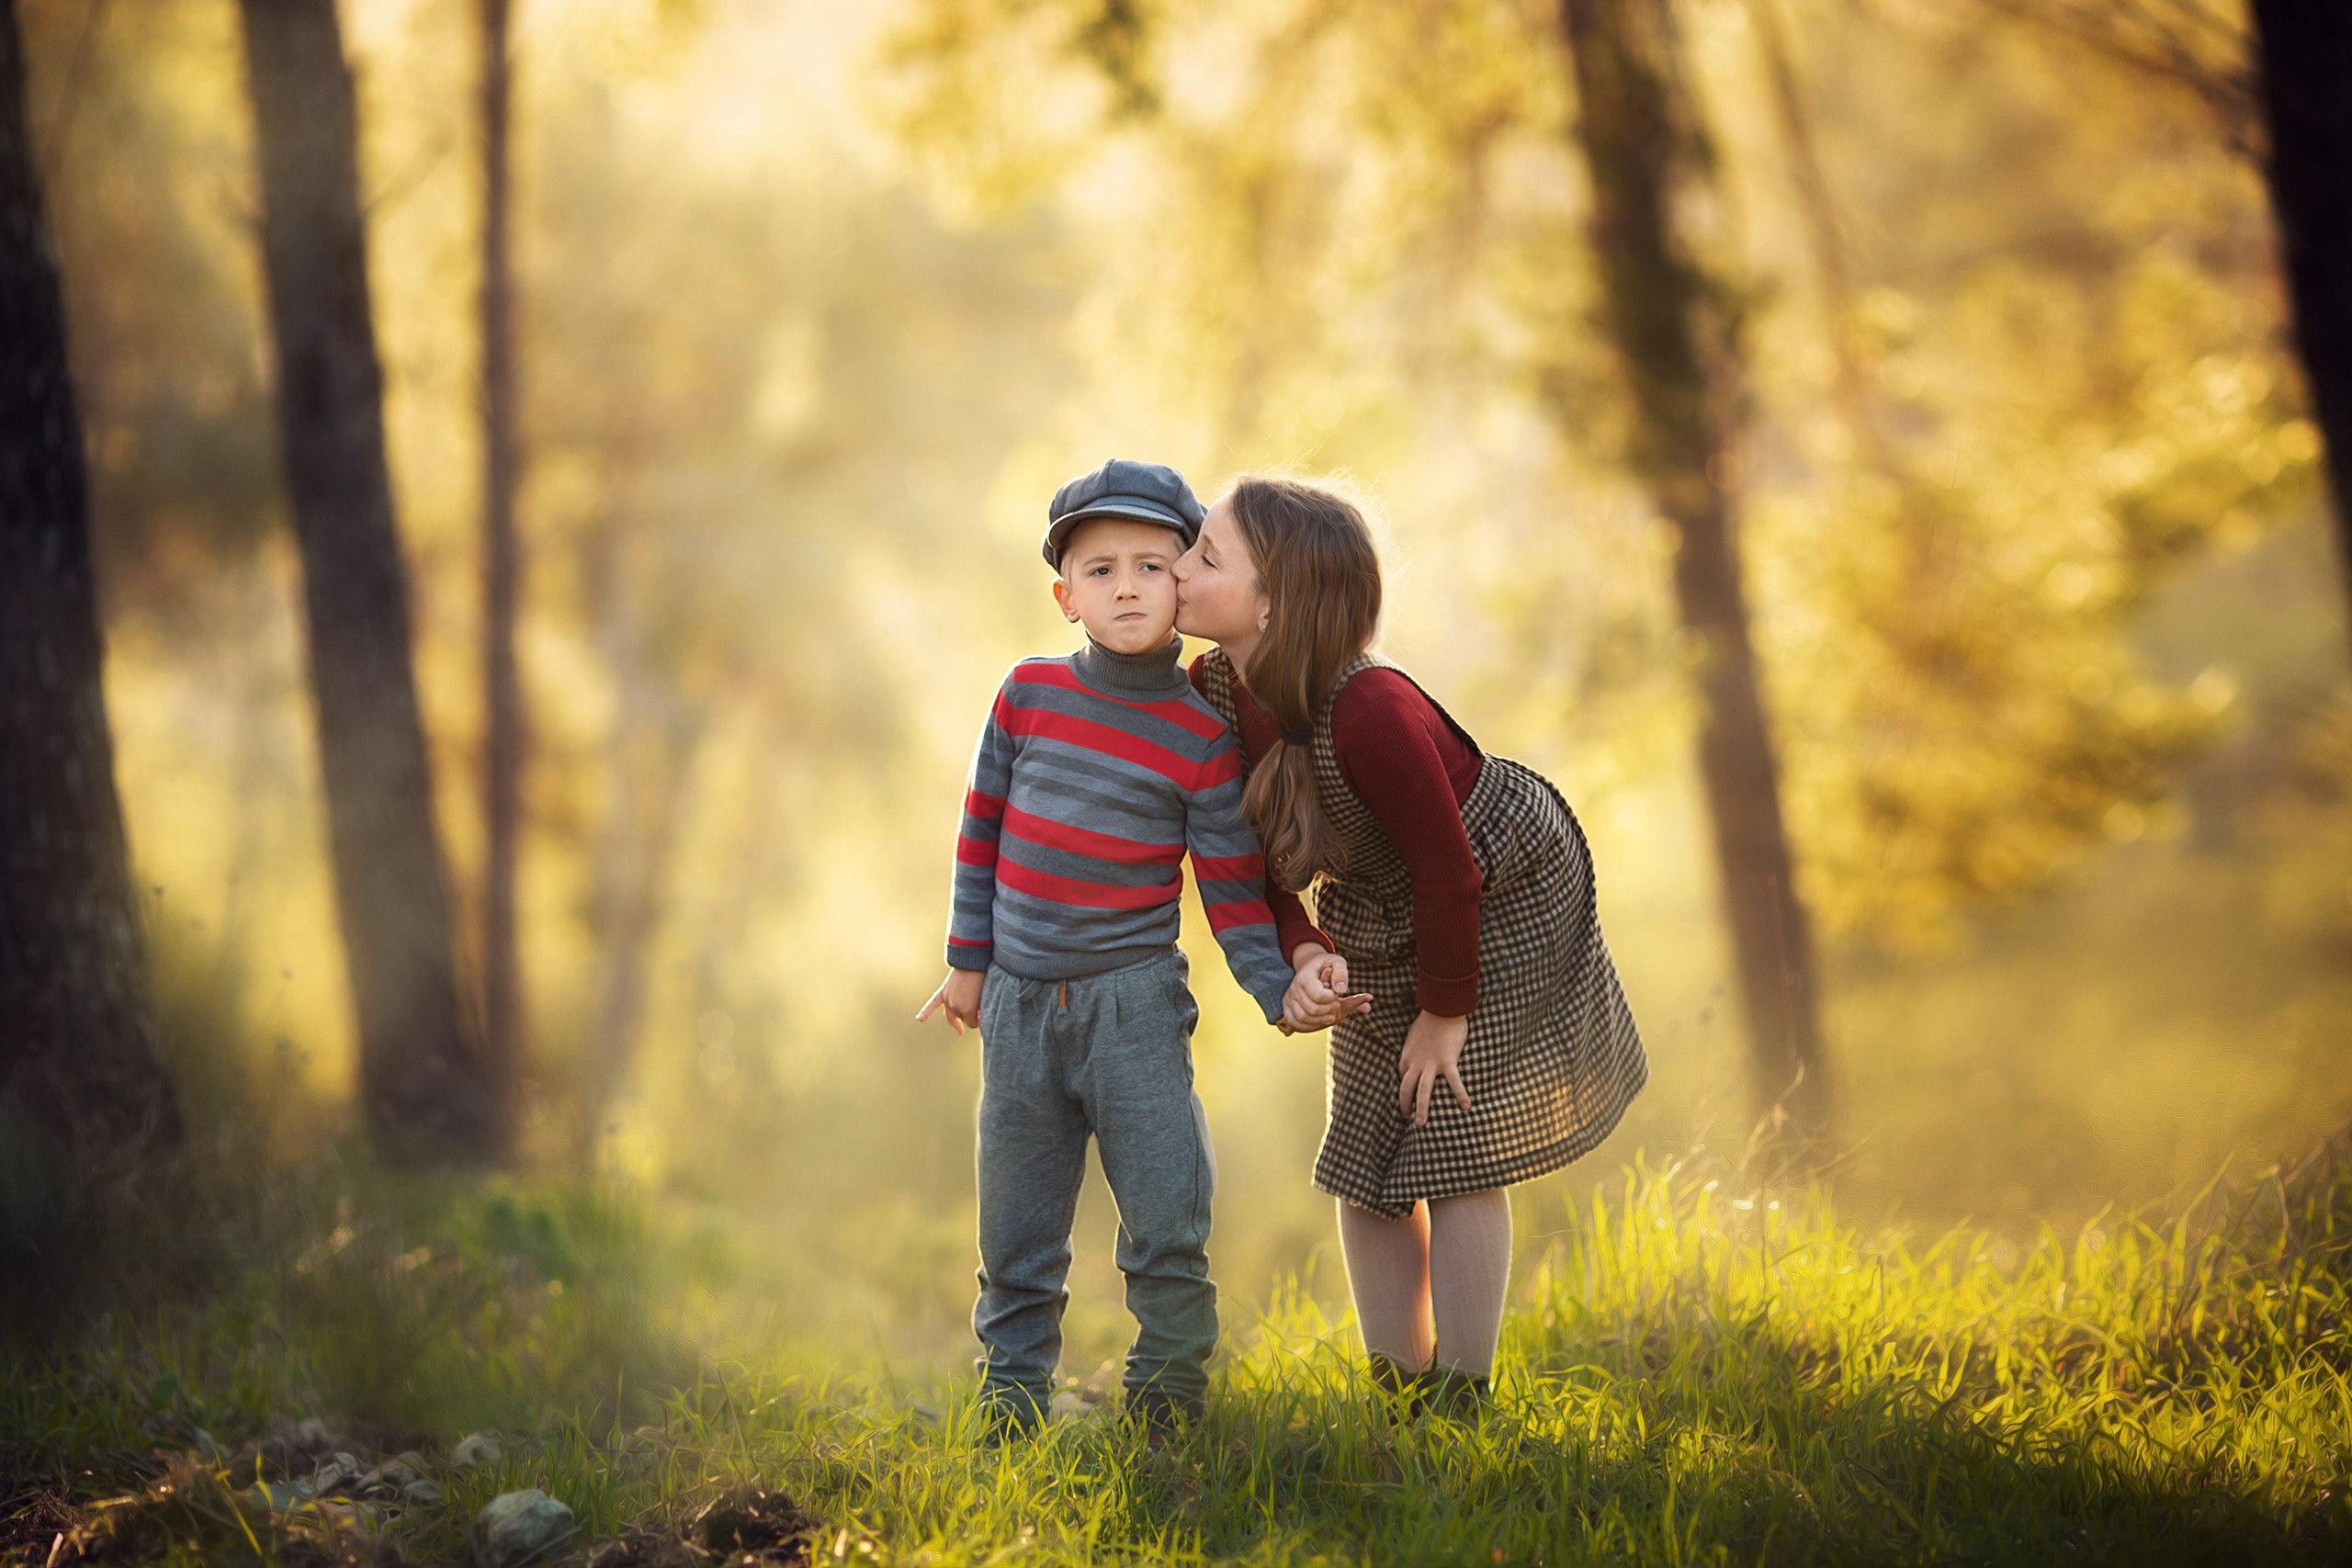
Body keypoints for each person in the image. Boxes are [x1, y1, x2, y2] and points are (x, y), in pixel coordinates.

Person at [1172, 474, 1647, 1416]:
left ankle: (1465, 1396)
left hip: (1498, 888)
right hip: (1375, 899)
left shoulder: (1372, 710)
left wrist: (1441, 1017)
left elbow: (1449, 874)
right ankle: (1398, 1390)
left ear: (1274, 602)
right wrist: (1303, 955)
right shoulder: (1216, 693)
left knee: (1450, 1132)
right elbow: (1261, 863)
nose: (1178, 569)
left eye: (1204, 556)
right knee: (1366, 1146)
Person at [917, 457, 1343, 1439]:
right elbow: (979, 831)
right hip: (1021, 1009)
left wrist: (1277, 987)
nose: (1126, 588)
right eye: (1100, 570)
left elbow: (1230, 887)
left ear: (1185, 584)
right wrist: (966, 960)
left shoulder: (1198, 735)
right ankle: (1011, 1410)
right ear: (1065, 597)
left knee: (1165, 1219)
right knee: (1016, 1233)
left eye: (1152, 566)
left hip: (1135, 1009)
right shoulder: (1026, 695)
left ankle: (1167, 1411)